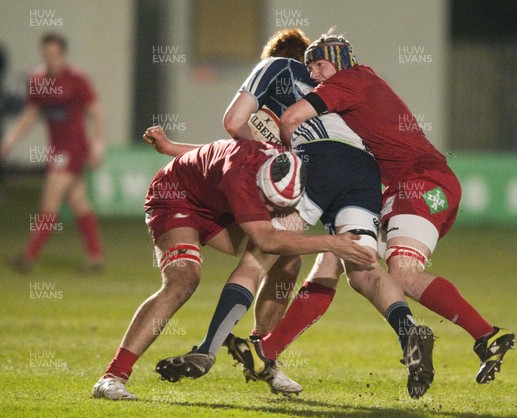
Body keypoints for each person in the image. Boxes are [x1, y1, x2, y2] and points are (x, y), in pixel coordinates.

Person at [154, 29, 435, 400]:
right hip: (363, 171)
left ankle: (207, 349)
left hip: (316, 161)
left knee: (258, 257)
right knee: (365, 267)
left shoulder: (276, 68)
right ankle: (408, 330)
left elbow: (233, 126)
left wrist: (283, 152)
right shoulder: (345, 83)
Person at [269, 29, 515, 388]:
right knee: (336, 258)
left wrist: (291, 159)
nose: (316, 74)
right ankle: (269, 350)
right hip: (406, 188)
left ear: (338, 62)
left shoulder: (350, 80)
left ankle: (486, 335)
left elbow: (291, 118)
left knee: (402, 274)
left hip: (421, 181)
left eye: (320, 64)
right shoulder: (358, 83)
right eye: (310, 68)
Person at [91, 134, 374, 400]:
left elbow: (207, 152)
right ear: (259, 182)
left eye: (278, 206)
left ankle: (260, 355)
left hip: (218, 204)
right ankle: (113, 376)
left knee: (288, 260)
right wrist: (332, 243)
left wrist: (170, 146)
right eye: (267, 202)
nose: (271, 209)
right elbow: (266, 239)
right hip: (176, 199)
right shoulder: (239, 176)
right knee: (183, 280)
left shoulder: (277, 157)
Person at [0, 33, 104, 273]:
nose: (51, 59)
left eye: (55, 55)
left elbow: (97, 113)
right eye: (47, 55)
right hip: (56, 150)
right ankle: (95, 257)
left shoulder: (76, 79)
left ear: (63, 55)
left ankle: (28, 257)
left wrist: (97, 146)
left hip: (74, 150)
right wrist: (9, 141)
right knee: (79, 202)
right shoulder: (37, 80)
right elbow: (29, 115)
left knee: (50, 200)